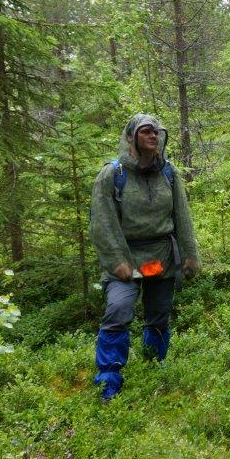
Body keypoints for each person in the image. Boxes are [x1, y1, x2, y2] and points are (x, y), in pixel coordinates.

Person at [89, 114, 200, 402]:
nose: (153, 136)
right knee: (118, 310)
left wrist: (190, 256)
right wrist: (118, 261)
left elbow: (182, 216)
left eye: (156, 132)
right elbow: (102, 223)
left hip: (161, 256)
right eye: (146, 131)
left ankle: (154, 368)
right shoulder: (112, 175)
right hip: (125, 257)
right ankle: (108, 381)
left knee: (159, 315)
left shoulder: (169, 173)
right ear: (131, 137)